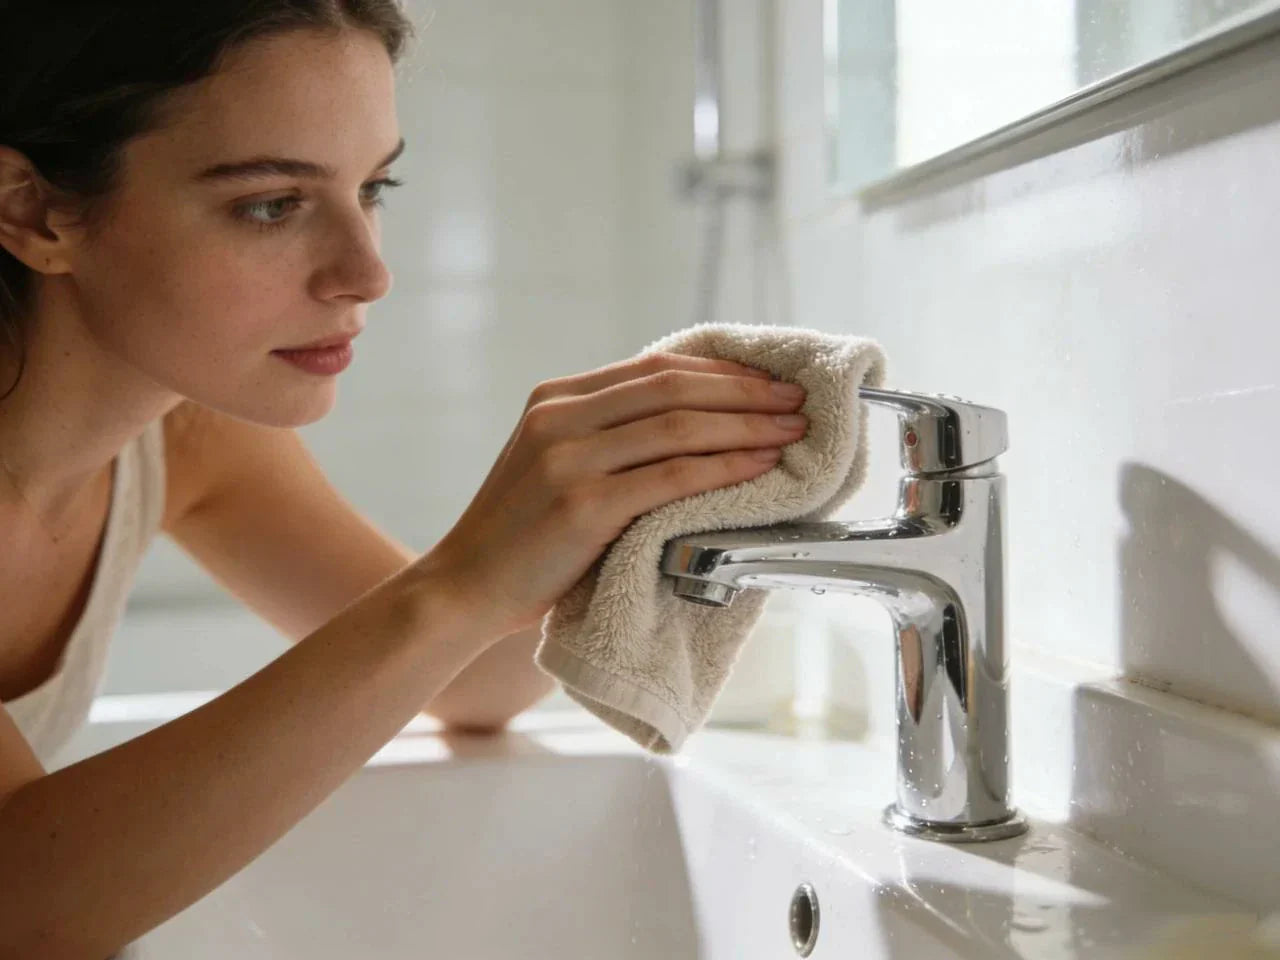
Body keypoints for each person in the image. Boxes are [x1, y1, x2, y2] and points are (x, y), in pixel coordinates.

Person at [0, 2, 809, 955]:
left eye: (375, 187)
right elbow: (20, 909)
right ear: (34, 211)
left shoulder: (188, 443)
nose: (367, 271)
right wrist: (461, 581)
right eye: (271, 204)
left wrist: (629, 493)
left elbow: (474, 687)